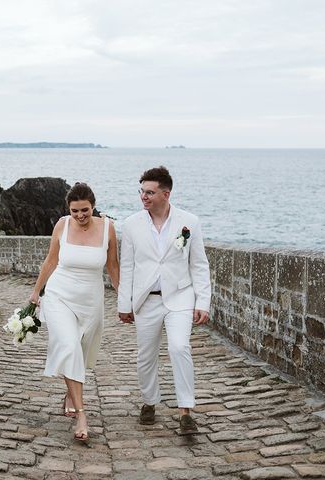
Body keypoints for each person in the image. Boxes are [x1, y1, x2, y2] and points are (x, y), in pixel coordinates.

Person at [118, 166, 211, 434]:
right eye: (142, 192)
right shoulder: (132, 224)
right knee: (146, 356)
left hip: (181, 296)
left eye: (150, 192)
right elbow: (127, 267)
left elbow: (200, 264)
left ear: (165, 194)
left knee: (179, 348)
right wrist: (125, 304)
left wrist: (202, 302)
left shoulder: (189, 222)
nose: (144, 197)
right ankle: (149, 402)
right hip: (146, 300)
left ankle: (186, 412)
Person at [29, 182, 119, 441]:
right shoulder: (62, 225)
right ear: (69, 209)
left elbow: (113, 267)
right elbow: (51, 260)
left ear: (93, 206)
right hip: (60, 295)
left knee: (80, 350)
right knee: (68, 345)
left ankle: (71, 392)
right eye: (75, 210)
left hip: (91, 299)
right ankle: (81, 415)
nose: (80, 216)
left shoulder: (108, 229)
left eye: (85, 210)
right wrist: (36, 292)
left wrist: (125, 299)